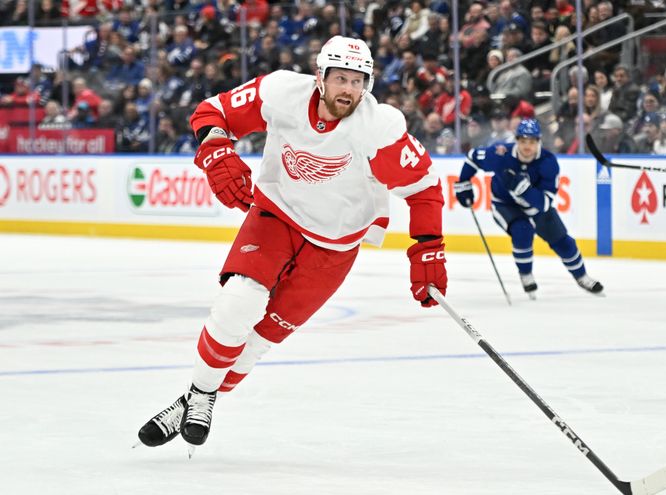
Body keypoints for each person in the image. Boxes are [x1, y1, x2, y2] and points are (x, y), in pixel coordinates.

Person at [136, 36, 447, 452]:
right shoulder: (282, 91)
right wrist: (214, 148)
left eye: (358, 81)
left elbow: (424, 188)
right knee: (239, 301)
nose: (348, 90)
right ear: (320, 77)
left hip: (335, 245)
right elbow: (213, 111)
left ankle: (196, 398)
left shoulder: (380, 127)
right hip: (275, 215)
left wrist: (428, 249)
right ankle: (202, 394)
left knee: (259, 341)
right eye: (340, 78)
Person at [454, 118, 603, 299]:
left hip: (536, 207)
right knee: (522, 231)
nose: (527, 146)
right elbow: (472, 158)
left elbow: (545, 203)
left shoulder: (548, 162)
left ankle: (582, 277)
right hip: (505, 205)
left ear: (538, 142)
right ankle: (526, 274)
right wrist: (463, 183)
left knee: (563, 242)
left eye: (531, 142)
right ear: (516, 140)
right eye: (523, 141)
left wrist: (522, 188)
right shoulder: (500, 153)